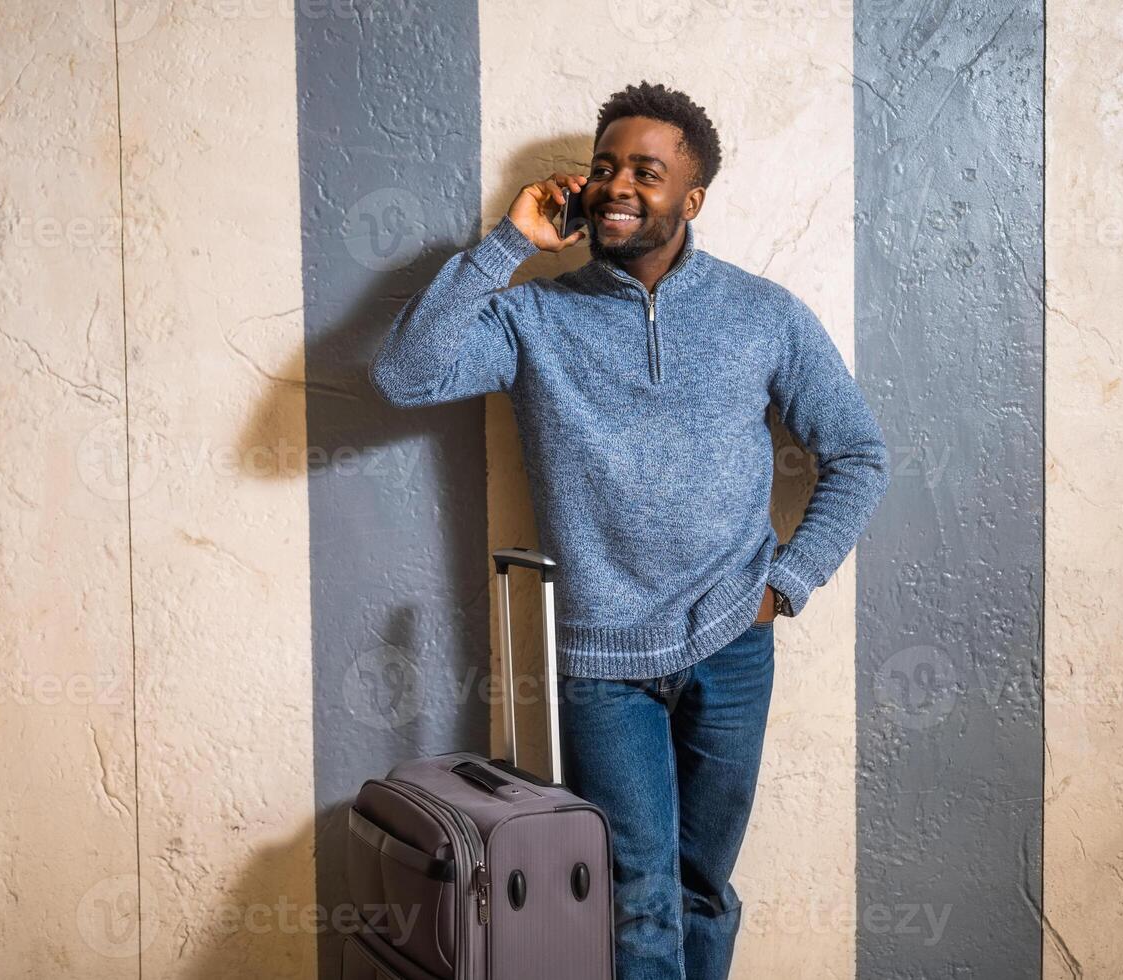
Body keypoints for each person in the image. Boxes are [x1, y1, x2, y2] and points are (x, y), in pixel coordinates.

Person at [367, 80, 889, 979]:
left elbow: (859, 456)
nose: (616, 185)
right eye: (605, 166)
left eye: (646, 172)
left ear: (692, 199)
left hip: (733, 642)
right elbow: (406, 377)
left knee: (702, 888)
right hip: (601, 660)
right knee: (638, 894)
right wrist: (509, 243)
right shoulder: (533, 316)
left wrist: (784, 588)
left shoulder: (763, 314)